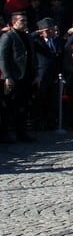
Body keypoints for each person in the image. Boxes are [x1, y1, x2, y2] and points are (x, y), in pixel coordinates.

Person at [0, 12, 38, 143]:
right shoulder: (8, 37)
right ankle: (4, 135)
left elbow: (33, 56)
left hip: (26, 77)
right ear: (14, 22)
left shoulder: (28, 37)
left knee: (23, 106)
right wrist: (7, 76)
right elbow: (3, 58)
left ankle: (21, 133)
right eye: (22, 21)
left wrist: (35, 74)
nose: (25, 23)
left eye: (26, 20)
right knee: (8, 107)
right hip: (14, 77)